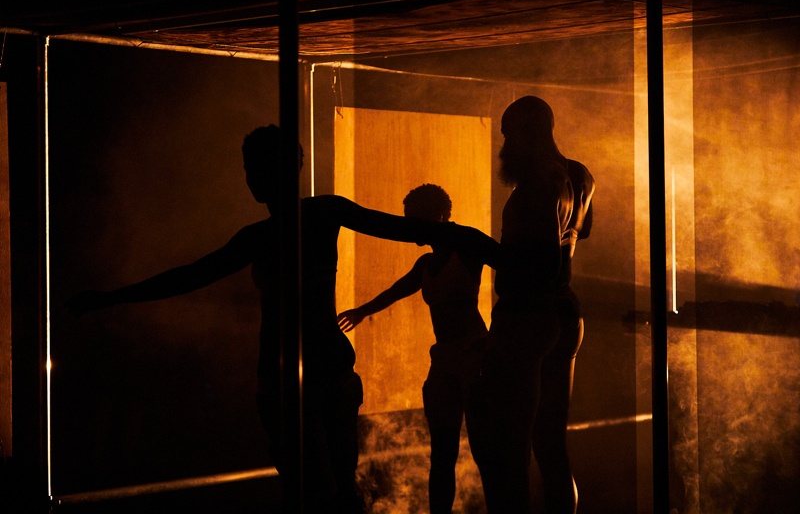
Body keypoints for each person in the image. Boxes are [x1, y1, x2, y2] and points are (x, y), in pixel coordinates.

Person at [65, 124, 499, 514]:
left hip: (293, 374)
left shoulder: (270, 233)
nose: (251, 178)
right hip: (322, 367)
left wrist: (110, 298)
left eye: (254, 169)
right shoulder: (320, 215)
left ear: (271, 173)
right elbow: (409, 231)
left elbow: (190, 277)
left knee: (313, 489)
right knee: (336, 486)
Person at [467, 96, 594, 514]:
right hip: (563, 311)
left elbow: (538, 262)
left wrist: (479, 248)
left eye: (508, 134)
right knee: (551, 442)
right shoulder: (579, 176)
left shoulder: (538, 184)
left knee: (509, 442)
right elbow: (580, 233)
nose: (503, 145)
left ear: (528, 132)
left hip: (527, 314)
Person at [337, 184, 489, 514]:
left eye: (415, 219)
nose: (409, 227)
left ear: (439, 215)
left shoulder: (466, 244)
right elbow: (396, 291)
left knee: (484, 447)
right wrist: (362, 311)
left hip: (475, 353)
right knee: (442, 451)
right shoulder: (426, 263)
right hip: (446, 357)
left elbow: (509, 263)